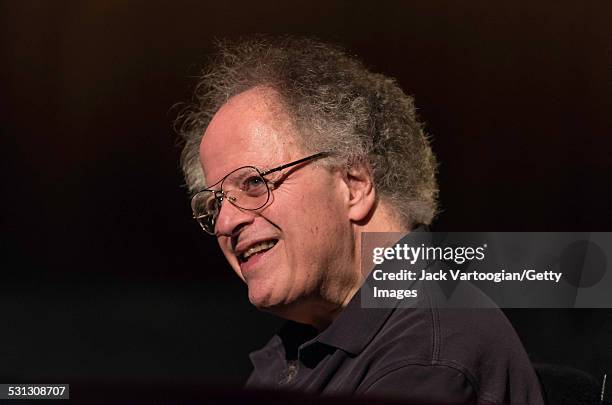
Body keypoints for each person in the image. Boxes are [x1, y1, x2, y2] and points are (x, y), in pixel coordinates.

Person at [177, 36, 545, 404]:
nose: (225, 223)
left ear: (355, 185)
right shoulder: (309, 347)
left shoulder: (429, 355)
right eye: (215, 204)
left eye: (255, 182)